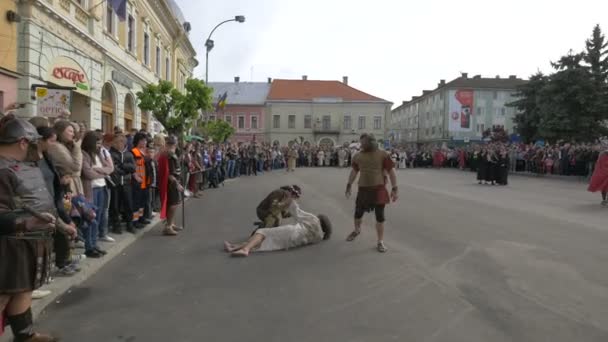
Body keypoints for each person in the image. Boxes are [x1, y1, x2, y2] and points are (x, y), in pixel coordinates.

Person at [0, 115, 60, 342]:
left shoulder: (26, 165)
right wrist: (28, 222)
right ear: (23, 142)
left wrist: (61, 224)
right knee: (4, 294)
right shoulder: (2, 170)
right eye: (33, 144)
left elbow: (40, 201)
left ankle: (25, 335)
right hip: (8, 244)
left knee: (23, 289)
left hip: (29, 240)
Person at [345, 133, 398, 253]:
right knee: (358, 213)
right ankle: (357, 230)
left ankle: (380, 241)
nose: (362, 144)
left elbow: (391, 171)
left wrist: (395, 188)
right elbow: (354, 171)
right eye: (361, 142)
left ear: (371, 142)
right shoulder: (358, 156)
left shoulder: (383, 154)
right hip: (363, 189)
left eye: (364, 142)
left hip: (378, 188)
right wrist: (348, 185)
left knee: (380, 216)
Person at [224, 200, 332, 257]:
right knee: (265, 242)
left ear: (320, 219)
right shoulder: (319, 237)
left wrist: (291, 200)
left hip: (292, 231)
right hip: (293, 243)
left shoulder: (314, 219)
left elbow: (297, 212)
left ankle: (245, 249)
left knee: (262, 232)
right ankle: (234, 247)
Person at [157, 136, 184, 236]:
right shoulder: (169, 155)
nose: (173, 145)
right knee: (173, 204)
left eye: (174, 144)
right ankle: (168, 226)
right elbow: (170, 174)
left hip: (173, 182)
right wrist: (177, 184)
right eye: (171, 144)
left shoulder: (170, 154)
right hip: (171, 183)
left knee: (172, 204)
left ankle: (171, 224)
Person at [588, 141, 608, 205]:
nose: (603, 146)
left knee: (605, 187)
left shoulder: (603, 153)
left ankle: (605, 200)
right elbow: (599, 163)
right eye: (602, 145)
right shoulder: (601, 153)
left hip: (604, 171)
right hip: (602, 172)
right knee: (604, 187)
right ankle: (604, 199)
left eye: (604, 145)